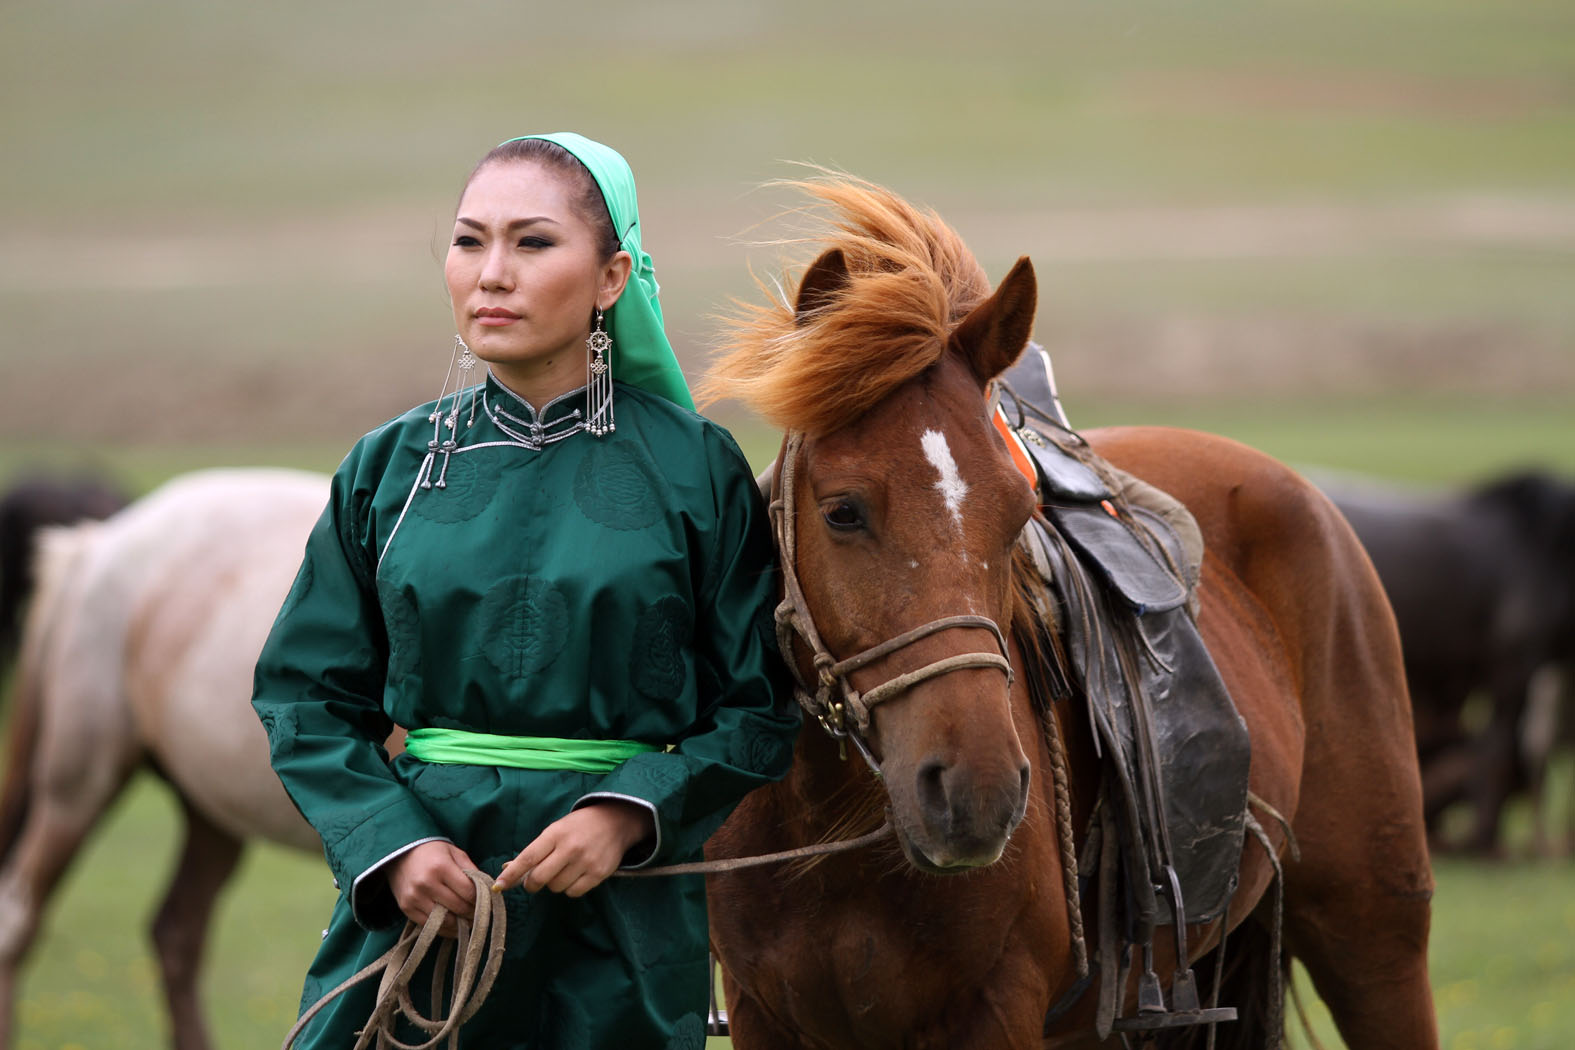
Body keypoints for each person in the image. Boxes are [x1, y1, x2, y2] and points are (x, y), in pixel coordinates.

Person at [251, 132, 799, 1049]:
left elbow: (756, 706)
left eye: (532, 243)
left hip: (620, 918)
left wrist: (630, 813)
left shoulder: (696, 469)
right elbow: (304, 696)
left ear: (612, 275)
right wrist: (395, 845)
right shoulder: (389, 466)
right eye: (469, 242)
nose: (491, 274)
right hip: (423, 910)